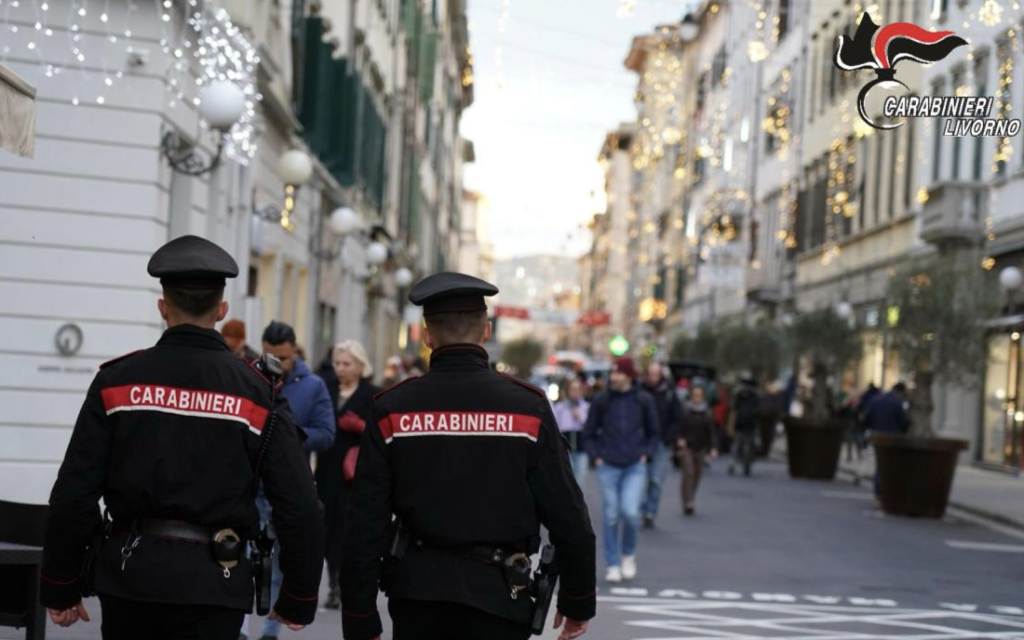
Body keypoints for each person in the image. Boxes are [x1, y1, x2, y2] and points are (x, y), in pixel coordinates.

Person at [39, 235, 325, 640]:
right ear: (222, 310)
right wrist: (298, 595)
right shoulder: (256, 390)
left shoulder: (117, 382)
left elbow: (74, 492)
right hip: (216, 581)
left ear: (162, 308)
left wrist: (61, 583)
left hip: (130, 577)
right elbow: (299, 503)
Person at [341, 272, 595, 640]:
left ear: (427, 336)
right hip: (501, 596)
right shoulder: (528, 407)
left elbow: (365, 521)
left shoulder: (393, 408)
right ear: (486, 332)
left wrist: (359, 615)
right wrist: (578, 600)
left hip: (418, 598)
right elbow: (568, 514)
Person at [254, 321, 335, 640]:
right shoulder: (249, 378)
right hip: (251, 486)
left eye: (284, 358)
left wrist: (289, 439)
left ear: (295, 352)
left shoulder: (313, 385)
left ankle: (270, 632)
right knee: (241, 559)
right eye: (270, 355)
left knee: (278, 565)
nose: (277, 364)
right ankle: (240, 628)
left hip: (289, 488)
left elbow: (327, 433)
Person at [315, 339, 380, 610]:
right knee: (327, 529)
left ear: (360, 365)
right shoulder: (326, 388)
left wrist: (360, 426)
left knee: (347, 530)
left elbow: (380, 434)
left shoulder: (373, 394)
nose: (340, 369)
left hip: (355, 473)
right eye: (337, 363)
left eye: (346, 364)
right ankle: (333, 585)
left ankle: (344, 584)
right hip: (328, 469)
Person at [582, 356, 658, 583]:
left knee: (631, 513)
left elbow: (654, 432)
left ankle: (628, 555)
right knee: (611, 515)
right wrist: (596, 456)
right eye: (612, 373)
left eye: (618, 373)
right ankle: (613, 563)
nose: (613, 377)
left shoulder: (644, 400)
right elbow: (589, 431)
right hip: (608, 465)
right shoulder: (602, 400)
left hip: (635, 464)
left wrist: (647, 454)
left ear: (628, 376)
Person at [641, 362, 682, 528]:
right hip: (641, 442)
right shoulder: (640, 391)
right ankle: (640, 508)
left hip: (661, 442)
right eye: (651, 374)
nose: (653, 378)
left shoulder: (669, 393)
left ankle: (650, 511)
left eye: (656, 374)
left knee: (656, 479)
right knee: (641, 478)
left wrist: (670, 437)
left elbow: (677, 416)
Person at [863, 382, 911, 499]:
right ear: (902, 391)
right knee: (891, 466)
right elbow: (903, 422)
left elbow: (867, 418)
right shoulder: (897, 403)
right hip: (893, 438)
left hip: (877, 436)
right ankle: (887, 493)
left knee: (880, 465)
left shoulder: (876, 400)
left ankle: (878, 494)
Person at [676, 385, 718, 516]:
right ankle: (688, 502)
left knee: (697, 474)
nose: (697, 398)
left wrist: (713, 448)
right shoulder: (685, 410)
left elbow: (712, 432)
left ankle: (691, 497)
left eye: (699, 395)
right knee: (689, 472)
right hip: (687, 446)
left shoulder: (707, 412)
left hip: (701, 447)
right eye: (695, 395)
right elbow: (678, 427)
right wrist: (679, 440)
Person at [552, 377, 590, 486]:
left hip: (581, 449)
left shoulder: (586, 406)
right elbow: (555, 427)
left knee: (580, 481)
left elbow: (589, 426)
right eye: (573, 389)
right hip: (565, 450)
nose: (576, 392)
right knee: (566, 481)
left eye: (578, 389)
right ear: (568, 391)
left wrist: (579, 416)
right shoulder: (560, 407)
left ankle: (579, 503)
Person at [728, 376, 760, 477]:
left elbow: (758, 411)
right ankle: (735, 464)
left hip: (748, 425)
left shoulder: (753, 397)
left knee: (745, 446)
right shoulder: (740, 396)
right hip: (742, 424)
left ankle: (744, 465)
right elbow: (734, 410)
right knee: (739, 445)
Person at [757, 380, 785, 457]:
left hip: (772, 419)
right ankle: (763, 450)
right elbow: (760, 407)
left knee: (769, 436)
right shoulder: (763, 396)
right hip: (763, 419)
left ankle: (765, 451)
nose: (772, 388)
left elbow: (779, 408)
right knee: (763, 435)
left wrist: (779, 417)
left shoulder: (777, 397)